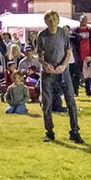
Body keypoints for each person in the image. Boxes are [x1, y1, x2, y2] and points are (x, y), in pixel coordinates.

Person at [33, 10, 83, 144]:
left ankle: (75, 131)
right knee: (46, 103)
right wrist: (45, 65)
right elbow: (39, 55)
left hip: (63, 71)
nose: (52, 22)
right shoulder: (41, 35)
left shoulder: (63, 33)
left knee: (71, 101)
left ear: (58, 20)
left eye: (54, 20)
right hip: (48, 72)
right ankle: (49, 132)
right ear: (46, 22)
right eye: (49, 20)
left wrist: (64, 66)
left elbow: (68, 52)